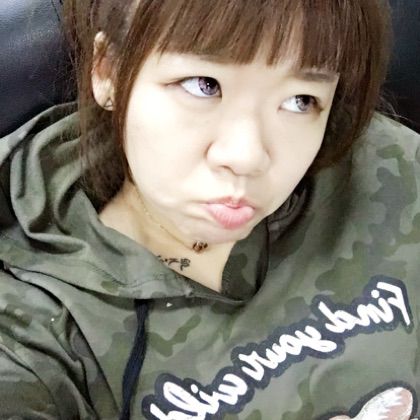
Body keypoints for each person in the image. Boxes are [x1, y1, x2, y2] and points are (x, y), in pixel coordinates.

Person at [0, 0, 419, 419]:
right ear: (108, 71)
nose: (247, 157)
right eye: (204, 85)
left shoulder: (386, 170)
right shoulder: (35, 330)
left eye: (300, 100)